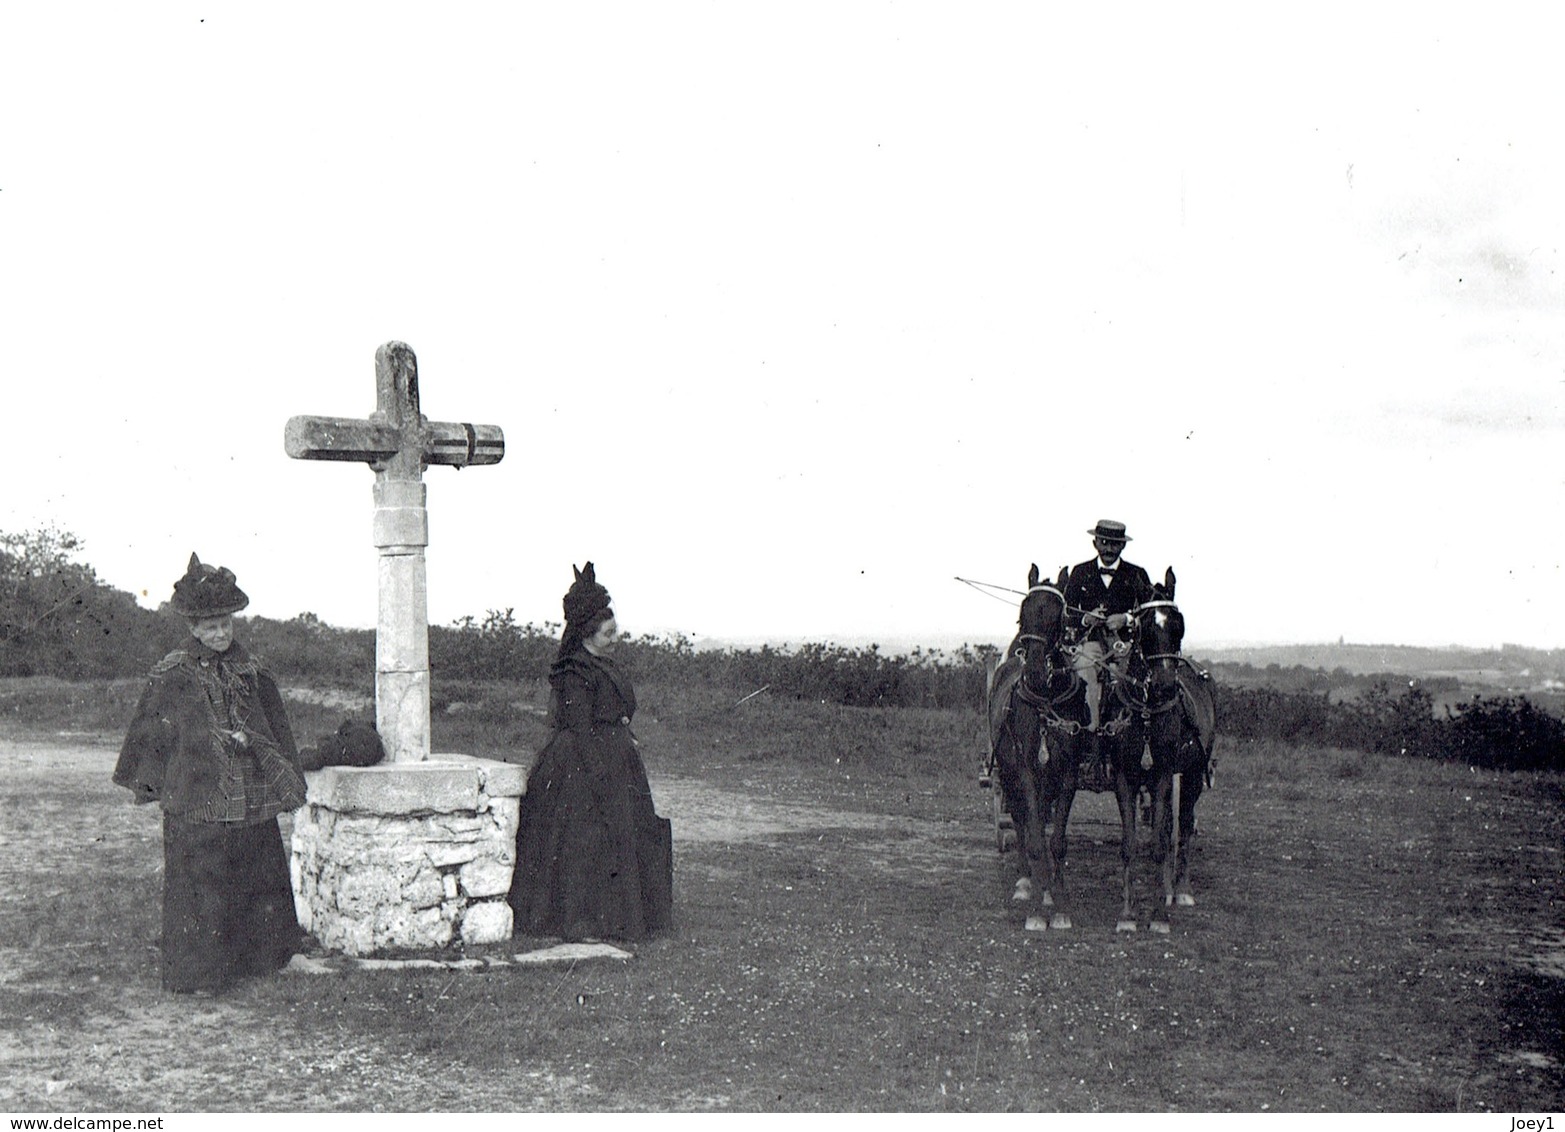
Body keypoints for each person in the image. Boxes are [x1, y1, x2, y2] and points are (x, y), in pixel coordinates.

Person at [112, 554, 308, 995]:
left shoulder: (253, 671)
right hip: (197, 792)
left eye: (226, 625)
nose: (220, 633)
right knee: (199, 880)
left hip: (250, 792)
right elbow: (154, 730)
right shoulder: (171, 673)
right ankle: (198, 975)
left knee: (256, 872)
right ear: (194, 628)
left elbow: (274, 725)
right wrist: (152, 782)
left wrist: (250, 738)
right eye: (211, 627)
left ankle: (264, 960)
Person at [509, 562, 673, 943]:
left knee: (621, 836)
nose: (614, 638)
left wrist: (624, 737)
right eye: (608, 632)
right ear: (588, 632)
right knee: (583, 839)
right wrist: (599, 771)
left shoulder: (603, 664)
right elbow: (579, 727)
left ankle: (620, 915)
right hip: (583, 763)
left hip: (617, 759)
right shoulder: (574, 671)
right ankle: (581, 919)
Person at [1062, 520, 1155, 734]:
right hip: (1091, 644)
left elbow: (1149, 615)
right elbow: (1066, 615)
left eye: (1115, 544)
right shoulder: (1079, 572)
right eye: (1104, 543)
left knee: (1132, 677)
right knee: (1084, 667)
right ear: (1095, 543)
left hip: (1125, 645)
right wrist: (1086, 620)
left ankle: (1127, 730)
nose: (1109, 549)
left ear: (1123, 546)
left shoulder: (1137, 574)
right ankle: (1092, 730)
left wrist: (1126, 619)